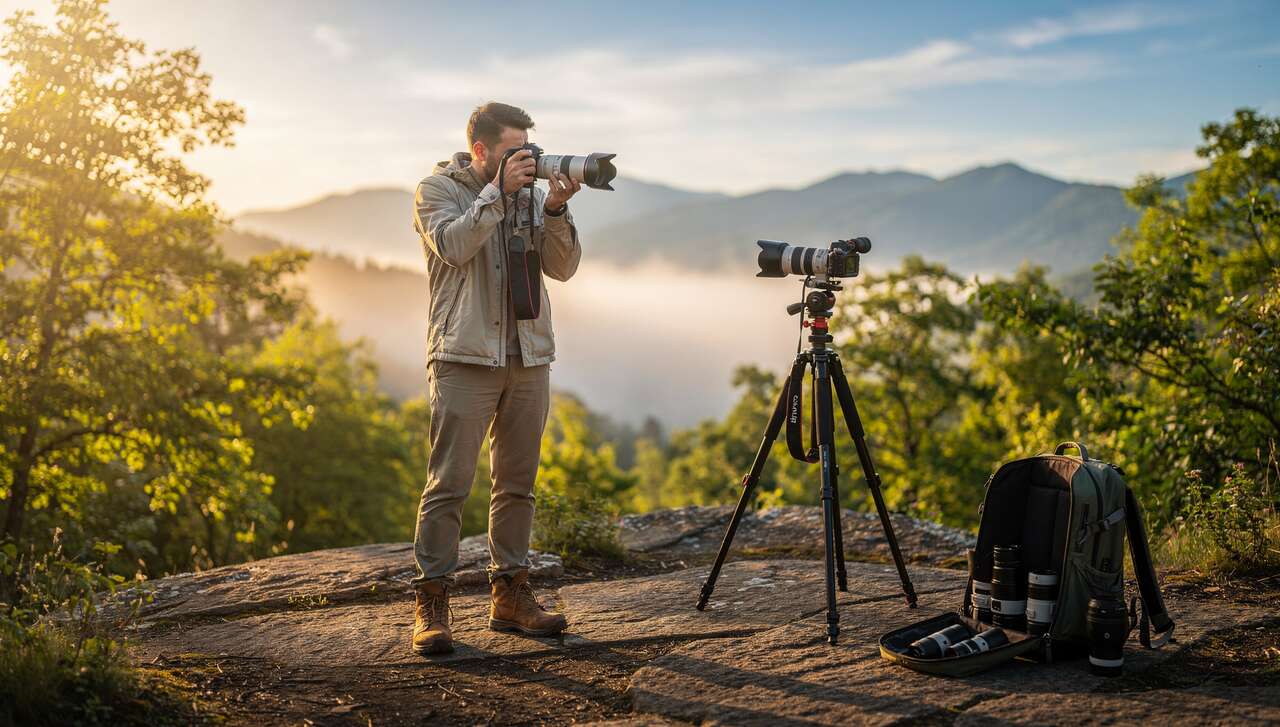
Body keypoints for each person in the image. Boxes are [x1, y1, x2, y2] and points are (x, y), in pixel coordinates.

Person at [409, 102, 582, 655]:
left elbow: (562, 268)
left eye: (528, 150)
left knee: (517, 484)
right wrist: (497, 195)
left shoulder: (530, 196)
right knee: (449, 485)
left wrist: (553, 208)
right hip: (464, 357)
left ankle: (510, 596)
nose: (526, 160)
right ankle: (432, 602)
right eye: (514, 151)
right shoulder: (437, 190)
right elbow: (454, 246)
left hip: (527, 356)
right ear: (481, 150)